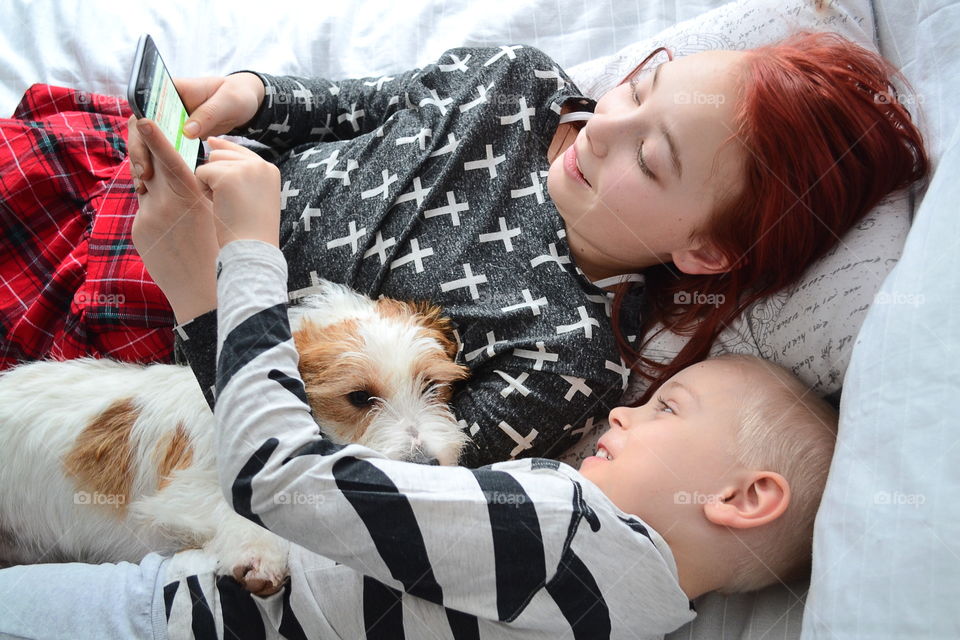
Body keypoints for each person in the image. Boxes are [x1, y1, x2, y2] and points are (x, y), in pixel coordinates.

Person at [0, 152, 840, 636]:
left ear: (746, 496)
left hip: (171, 616)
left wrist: (242, 263)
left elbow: (289, 487)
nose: (621, 408)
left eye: (666, 408)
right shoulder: (643, 613)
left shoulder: (558, 529)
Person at [0, 33, 927, 467]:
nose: (605, 128)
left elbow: (367, 476)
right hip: (108, 170)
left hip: (144, 326)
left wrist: (232, 259)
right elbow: (356, 103)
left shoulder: (566, 354)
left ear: (707, 251)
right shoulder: (516, 82)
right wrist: (252, 95)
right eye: (642, 87)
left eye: (650, 154)